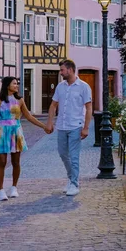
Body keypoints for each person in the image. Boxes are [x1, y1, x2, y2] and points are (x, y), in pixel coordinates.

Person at [0, 76, 50, 201]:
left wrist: (43, 126)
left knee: (16, 162)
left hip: (16, 131)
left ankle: (14, 187)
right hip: (2, 131)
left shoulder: (20, 100)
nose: (17, 86)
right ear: (7, 85)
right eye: (14, 84)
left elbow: (29, 116)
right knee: (2, 161)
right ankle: (1, 189)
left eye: (17, 84)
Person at [46, 59, 92, 196]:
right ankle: (71, 178)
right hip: (62, 125)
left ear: (70, 70)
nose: (60, 73)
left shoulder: (84, 87)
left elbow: (89, 108)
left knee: (74, 156)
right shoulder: (60, 87)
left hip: (76, 126)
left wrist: (86, 127)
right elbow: (53, 105)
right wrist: (50, 122)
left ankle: (74, 183)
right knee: (62, 153)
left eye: (62, 70)